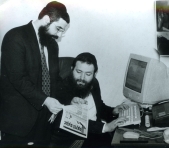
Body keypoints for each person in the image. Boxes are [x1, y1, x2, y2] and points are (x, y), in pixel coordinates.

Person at [0, 1, 70, 146]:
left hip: (44, 120)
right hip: (18, 123)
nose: (60, 35)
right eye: (58, 29)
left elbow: (54, 78)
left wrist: (70, 98)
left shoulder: (52, 45)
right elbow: (18, 79)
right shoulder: (15, 37)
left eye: (63, 31)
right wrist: (46, 100)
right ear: (46, 20)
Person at [51, 52, 129, 148]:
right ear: (72, 69)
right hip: (74, 139)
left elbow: (98, 106)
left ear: (94, 74)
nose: (82, 78)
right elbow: (74, 122)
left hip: (95, 134)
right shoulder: (62, 88)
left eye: (88, 74)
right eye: (78, 72)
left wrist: (113, 111)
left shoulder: (94, 83)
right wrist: (105, 127)